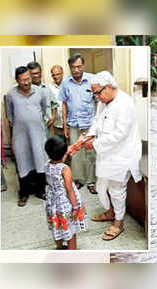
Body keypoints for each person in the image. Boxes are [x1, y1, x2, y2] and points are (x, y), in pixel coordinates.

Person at [82, 71, 143, 241]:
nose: (96, 97)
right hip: (107, 152)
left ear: (108, 87)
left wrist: (94, 144)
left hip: (122, 154)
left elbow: (119, 135)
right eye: (94, 93)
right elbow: (97, 121)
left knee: (117, 188)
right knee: (103, 185)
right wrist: (89, 135)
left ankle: (119, 222)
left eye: (97, 93)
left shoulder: (125, 103)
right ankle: (111, 211)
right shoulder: (104, 101)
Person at [5, 66, 47, 206]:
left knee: (40, 161)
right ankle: (23, 193)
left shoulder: (40, 91)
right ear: (16, 80)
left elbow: (44, 108)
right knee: (23, 163)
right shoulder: (11, 95)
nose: (26, 82)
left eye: (28, 78)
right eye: (22, 80)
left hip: (38, 134)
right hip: (20, 136)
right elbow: (9, 115)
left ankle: (41, 191)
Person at [59, 53, 97, 194]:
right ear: (69, 67)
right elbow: (63, 103)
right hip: (73, 123)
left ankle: (91, 181)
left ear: (83, 66)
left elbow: (98, 101)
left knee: (91, 153)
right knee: (75, 153)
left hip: (90, 124)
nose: (76, 70)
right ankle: (78, 180)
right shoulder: (65, 82)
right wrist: (65, 124)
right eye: (73, 67)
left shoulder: (92, 80)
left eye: (79, 66)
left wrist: (98, 124)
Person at [44, 135, 87, 250]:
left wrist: (75, 144)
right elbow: (70, 190)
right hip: (65, 204)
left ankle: (59, 247)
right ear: (63, 154)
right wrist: (75, 207)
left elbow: (63, 153)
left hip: (52, 203)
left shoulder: (47, 165)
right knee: (70, 231)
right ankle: (72, 252)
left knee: (56, 225)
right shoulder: (65, 169)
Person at [27, 61, 58, 138]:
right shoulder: (26, 89)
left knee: (44, 148)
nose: (37, 75)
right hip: (30, 127)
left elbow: (54, 104)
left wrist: (53, 117)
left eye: (38, 73)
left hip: (45, 126)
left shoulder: (46, 88)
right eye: (33, 74)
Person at [49, 65, 65, 137]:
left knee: (72, 146)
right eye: (53, 75)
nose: (55, 77)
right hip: (57, 125)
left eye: (58, 74)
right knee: (60, 147)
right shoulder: (49, 88)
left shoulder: (68, 85)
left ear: (62, 73)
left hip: (70, 124)